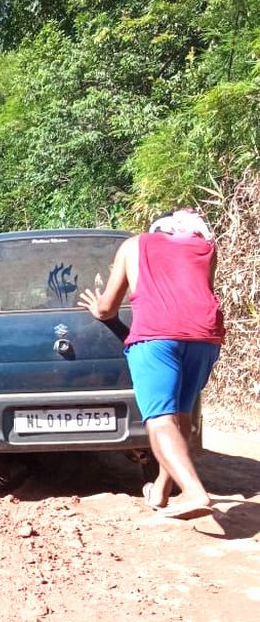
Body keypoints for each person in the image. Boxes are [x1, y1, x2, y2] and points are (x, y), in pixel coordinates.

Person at [79, 208, 225, 519]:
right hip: (205, 337)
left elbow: (107, 308)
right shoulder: (204, 248)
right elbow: (202, 291)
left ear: (154, 229)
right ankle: (160, 488)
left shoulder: (134, 245)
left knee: (160, 421)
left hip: (157, 338)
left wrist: (96, 308)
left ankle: (194, 492)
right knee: (181, 415)